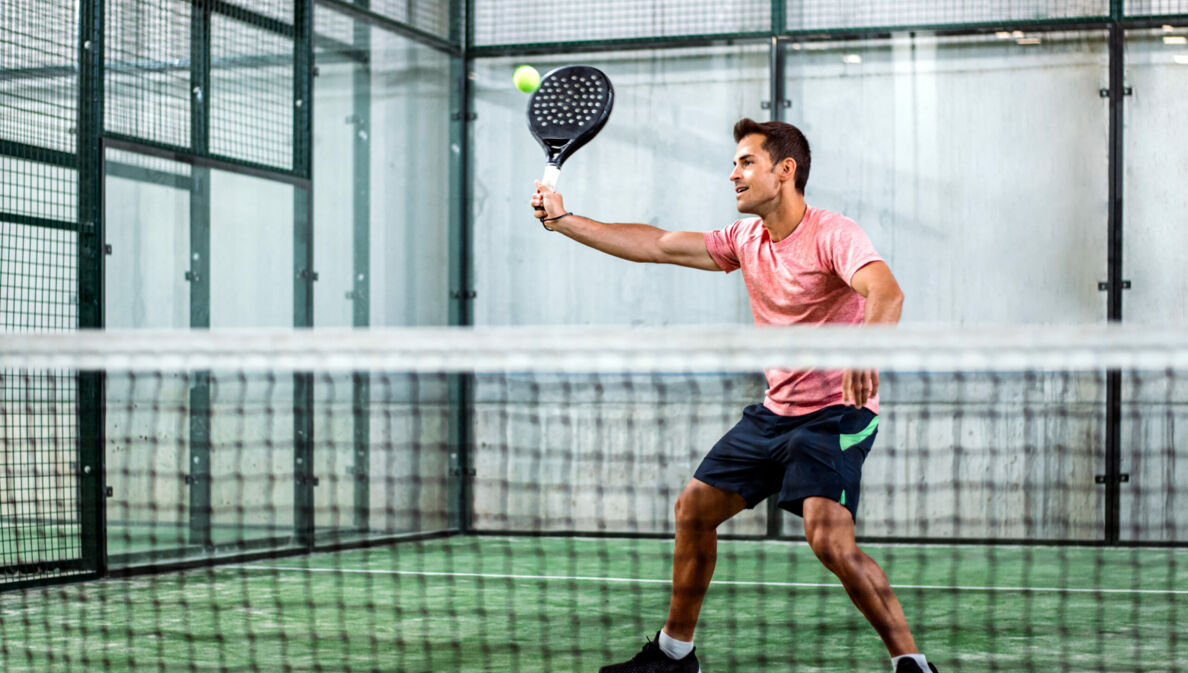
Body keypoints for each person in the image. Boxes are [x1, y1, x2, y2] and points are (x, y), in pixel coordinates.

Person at [529, 118, 936, 673]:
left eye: (746, 162)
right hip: (773, 414)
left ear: (784, 170)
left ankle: (912, 663)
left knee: (829, 541)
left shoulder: (832, 233)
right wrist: (565, 220)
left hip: (835, 416)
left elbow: (886, 290)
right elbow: (659, 244)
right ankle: (675, 654)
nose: (733, 173)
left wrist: (869, 350)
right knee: (693, 509)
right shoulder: (746, 241)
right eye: (735, 162)